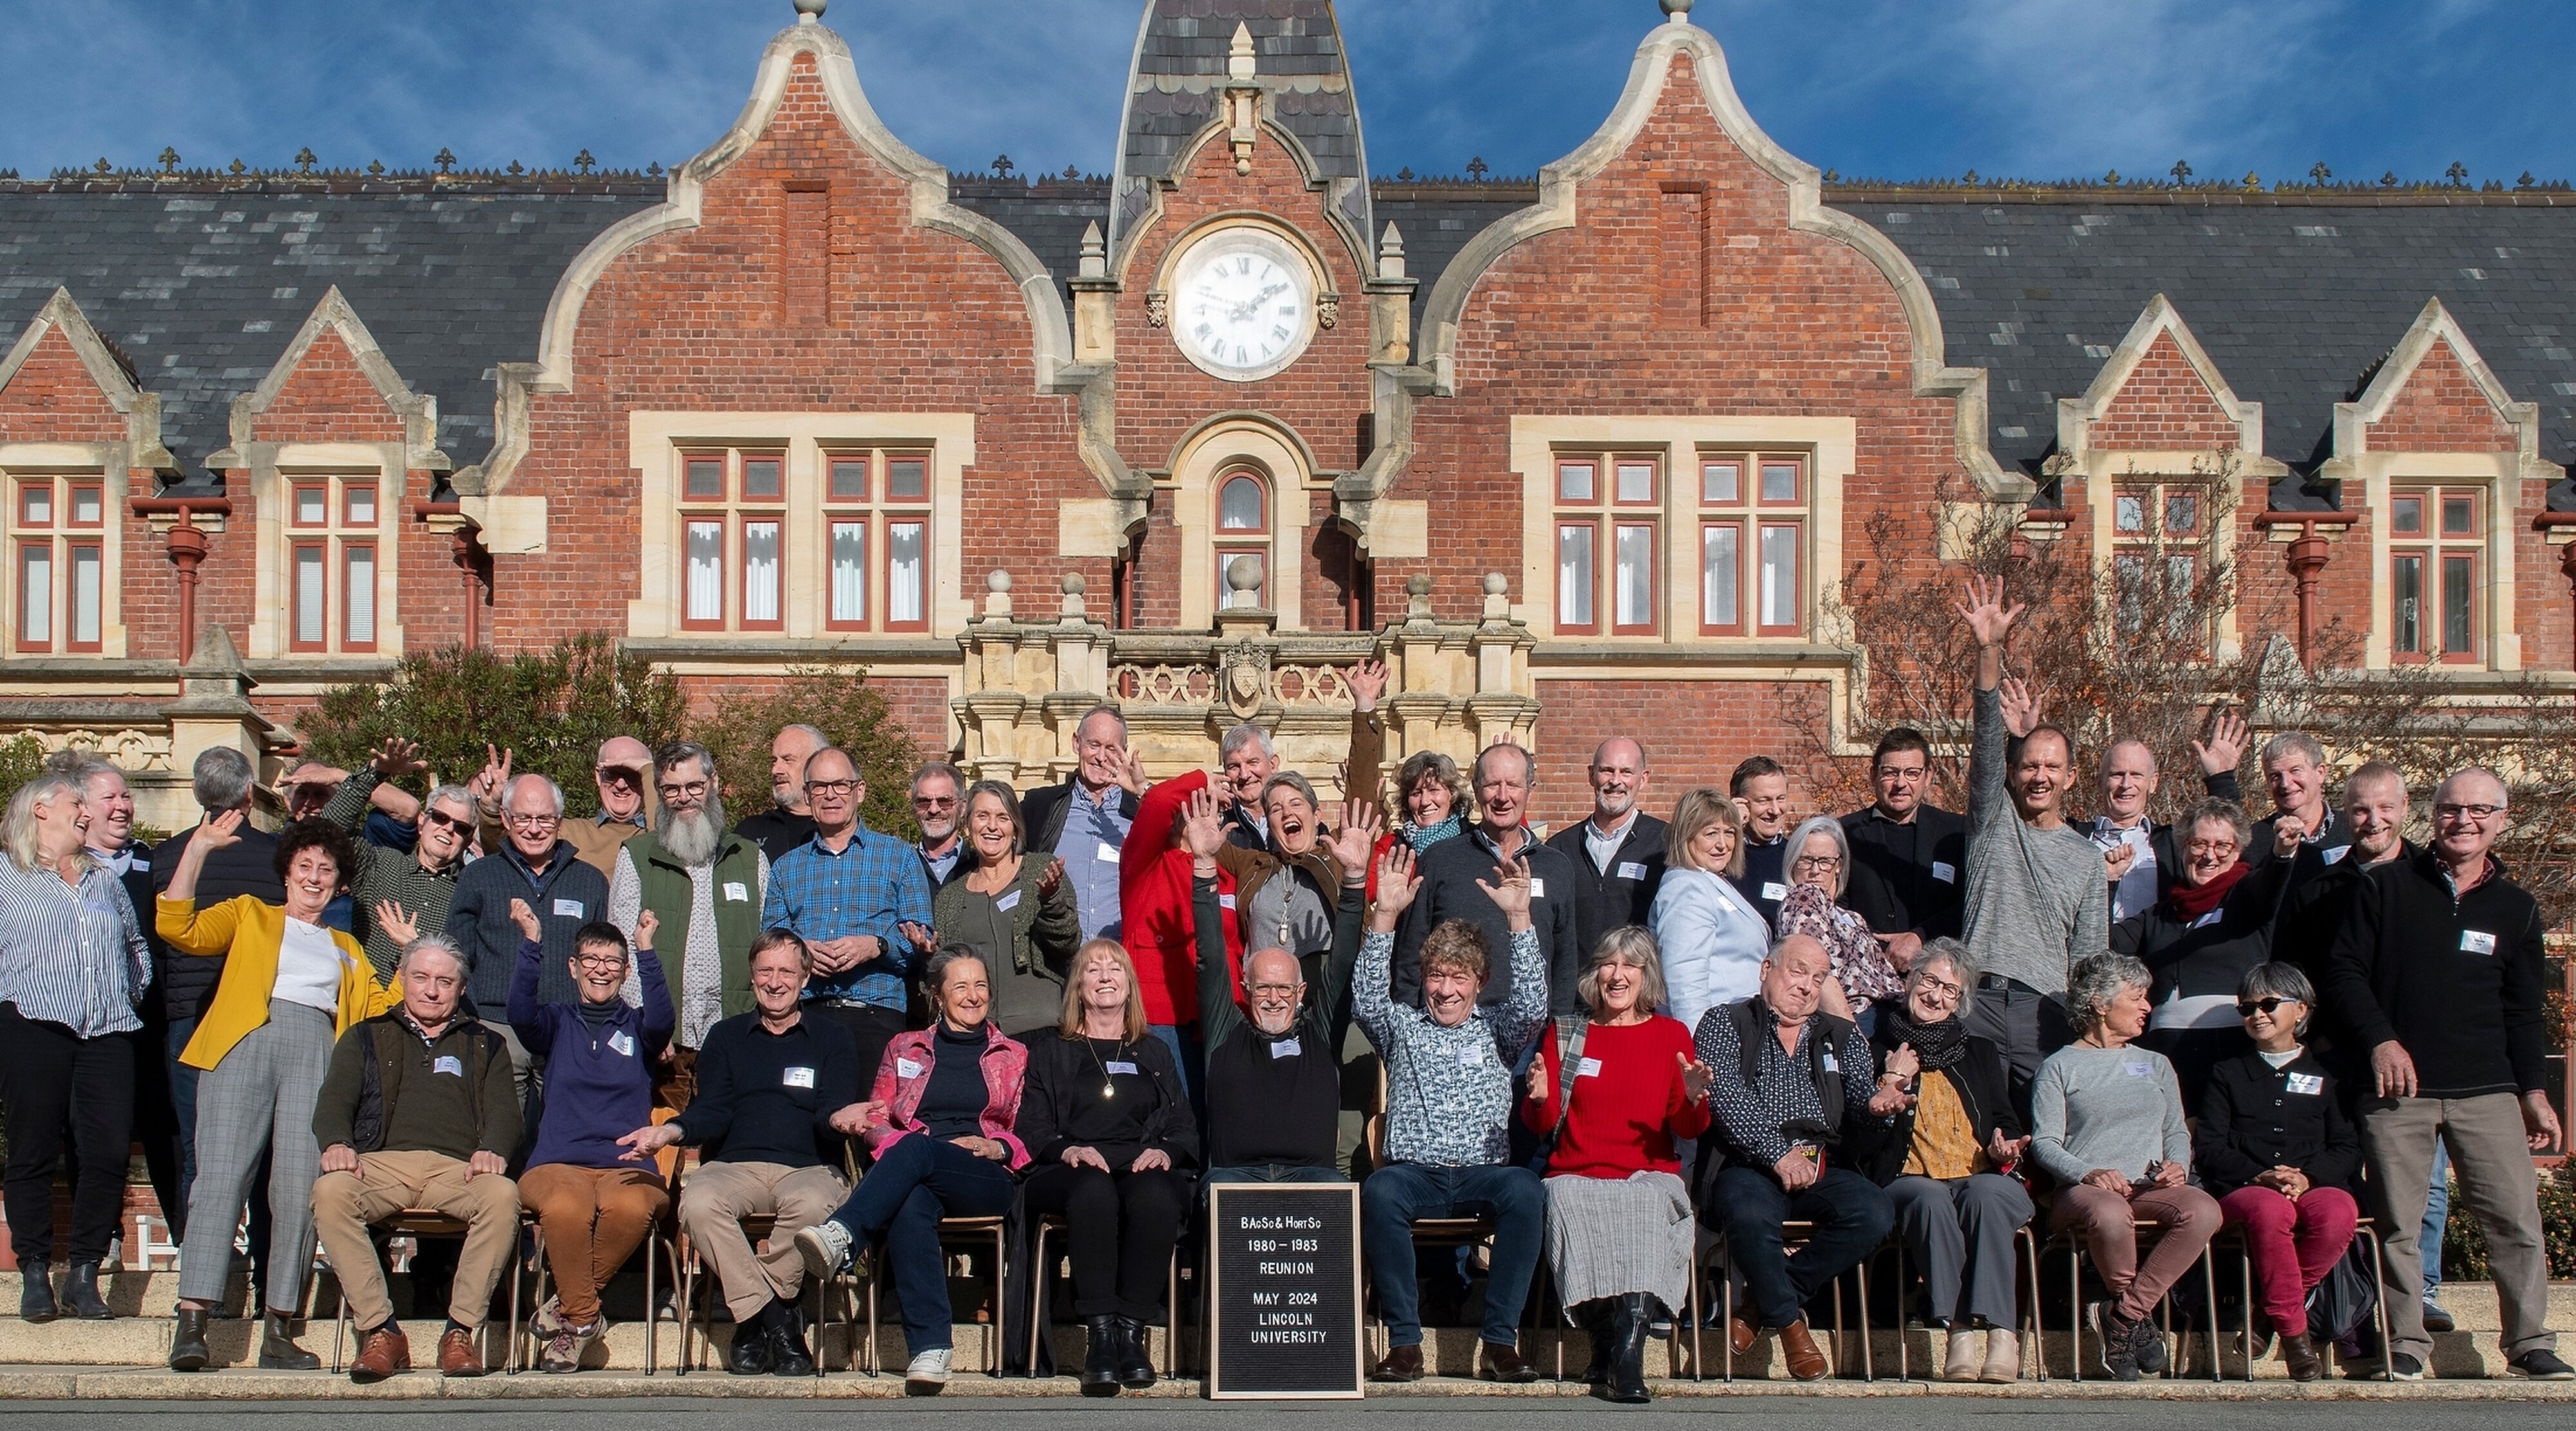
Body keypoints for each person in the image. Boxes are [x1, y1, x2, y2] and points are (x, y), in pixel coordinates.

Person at [2322, 767, 2570, 1381]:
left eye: (2479, 810)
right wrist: (2381, 1040)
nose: (2464, 821)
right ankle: (2405, 1343)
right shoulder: (2383, 888)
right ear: (2430, 815)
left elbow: (2522, 1010)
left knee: (2514, 1221)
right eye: (2451, 809)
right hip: (2396, 1091)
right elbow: (2342, 975)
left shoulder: (2516, 908)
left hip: (2487, 1090)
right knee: (2399, 1226)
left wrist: (2534, 1090)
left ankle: (2529, 1342)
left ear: (2502, 819)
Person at [158, 812, 392, 1374]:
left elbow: (386, 1010)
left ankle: (280, 1327)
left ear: (340, 883)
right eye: (305, 865)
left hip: (317, 1052)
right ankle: (193, 1320)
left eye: (326, 869)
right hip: (245, 1041)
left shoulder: (348, 947)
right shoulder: (250, 915)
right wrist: (197, 849)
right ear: (286, 872)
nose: (315, 876)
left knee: (296, 1191)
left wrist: (406, 953)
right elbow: (178, 927)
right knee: (219, 1181)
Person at [618, 930, 868, 1377]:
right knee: (697, 1201)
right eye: (765, 971)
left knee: (815, 1204)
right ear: (752, 978)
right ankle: (777, 1320)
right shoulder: (726, 1036)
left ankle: (752, 1324)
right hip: (735, 1165)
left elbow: (829, 1110)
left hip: (807, 1165)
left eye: (786, 971)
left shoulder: (833, 1038)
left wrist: (839, 1120)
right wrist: (672, 1130)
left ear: (805, 977)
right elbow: (712, 1110)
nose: (775, 981)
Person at [1353, 842, 1549, 1384]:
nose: (1445, 989)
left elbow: (1533, 1004)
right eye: (1437, 976)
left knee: (1527, 1191)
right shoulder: (1404, 1027)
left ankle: (1499, 1342)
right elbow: (1368, 998)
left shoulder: (1496, 1029)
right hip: (1414, 1173)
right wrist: (1385, 916)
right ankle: (1404, 1342)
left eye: (1459, 978)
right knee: (1379, 1191)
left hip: (1481, 1172)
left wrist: (1519, 918)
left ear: (1479, 983)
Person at [794, 948, 1028, 1394]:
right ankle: (931, 1348)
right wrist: (905, 1146)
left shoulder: (1014, 1054)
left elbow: (1030, 1128)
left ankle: (844, 1233)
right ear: (937, 995)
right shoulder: (904, 1046)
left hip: (984, 1174)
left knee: (916, 1154)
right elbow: (878, 1118)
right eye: (959, 986)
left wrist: (995, 1145)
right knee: (910, 1202)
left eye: (979, 984)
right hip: (917, 1168)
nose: (972, 995)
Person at [310, 934, 522, 1382]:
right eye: (421, 977)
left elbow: (507, 1112)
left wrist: (493, 1149)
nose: (431, 989)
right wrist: (336, 1142)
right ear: (402, 978)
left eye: (444, 981)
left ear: (461, 988)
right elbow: (333, 1102)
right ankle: (380, 1330)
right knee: (331, 1191)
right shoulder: (365, 1035)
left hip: (458, 1168)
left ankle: (460, 1330)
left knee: (502, 1196)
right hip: (380, 1164)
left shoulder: (486, 1042)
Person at [1520, 927, 1712, 1403]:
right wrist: (1540, 1097)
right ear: (1596, 973)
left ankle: (1626, 1354)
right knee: (1565, 1198)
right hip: (1577, 1171)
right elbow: (1540, 1122)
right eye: (1608, 963)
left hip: (1646, 1171)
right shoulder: (1567, 1033)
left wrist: (1693, 1098)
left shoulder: (1671, 1035)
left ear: (1646, 976)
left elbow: (1687, 1127)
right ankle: (1603, 1337)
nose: (1617, 974)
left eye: (1630, 965)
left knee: (1649, 1201)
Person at [1696, 934, 1893, 1382]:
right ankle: (1790, 1326)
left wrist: (1880, 1110)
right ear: (1767, 970)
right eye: (1797, 970)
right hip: (1747, 1162)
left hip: (1821, 1161)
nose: (1806, 985)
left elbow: (1861, 1123)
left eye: (1818, 977)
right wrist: (1776, 1153)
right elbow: (1727, 1097)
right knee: (1746, 1212)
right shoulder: (1723, 1021)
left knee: (1874, 1211)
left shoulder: (1842, 1036)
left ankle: (1762, 1302)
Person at [1841, 939, 2032, 1383]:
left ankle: (2002, 1333)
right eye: (1930, 980)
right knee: (1928, 1198)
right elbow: (1855, 1137)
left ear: (1960, 1001)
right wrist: (1888, 1083)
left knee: (1986, 1194)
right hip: (1907, 1175)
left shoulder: (1979, 1051)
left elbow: (2002, 1118)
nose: (1936, 995)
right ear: (1910, 980)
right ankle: (1960, 1331)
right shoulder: (1874, 1048)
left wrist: (2002, 1145)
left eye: (1951, 990)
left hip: (1977, 1171)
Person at [0, 770, 150, 1323]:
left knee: (107, 1153)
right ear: (40, 809)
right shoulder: (4, 875)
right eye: (75, 803)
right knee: (34, 1149)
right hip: (32, 1024)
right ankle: (36, 1270)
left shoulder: (101, 880)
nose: (86, 812)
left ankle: (85, 1272)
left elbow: (136, 946)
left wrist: (124, 992)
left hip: (107, 1031)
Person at [1017, 940, 1198, 1394]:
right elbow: (1032, 1125)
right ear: (1078, 985)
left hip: (1139, 1160)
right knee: (1094, 1190)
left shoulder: (1153, 1051)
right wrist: (1066, 1149)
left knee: (1158, 1195)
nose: (1104, 976)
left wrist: (1167, 1153)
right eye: (1092, 968)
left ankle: (1131, 1334)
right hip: (1070, 1167)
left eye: (1114, 968)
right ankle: (1100, 1336)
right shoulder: (1050, 1050)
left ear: (1129, 983)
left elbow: (1181, 1123)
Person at [2028, 954, 2219, 1381]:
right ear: (2099, 1003)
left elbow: (2175, 1129)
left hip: (2149, 1187)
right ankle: (2133, 1322)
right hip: (2083, 1194)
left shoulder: (2155, 1064)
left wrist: (2177, 1166)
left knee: (2204, 1209)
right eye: (2137, 997)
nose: (2146, 1007)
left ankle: (2122, 1316)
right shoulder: (2058, 1066)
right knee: (2111, 1211)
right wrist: (2089, 1172)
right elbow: (2044, 1142)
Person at [1955, 576, 2108, 1103]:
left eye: (2052, 766)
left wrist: (2092, 1034)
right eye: (2029, 766)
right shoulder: (1991, 821)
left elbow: (2090, 956)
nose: (2039, 776)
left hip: (2045, 1011)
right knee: (1973, 1129)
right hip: (1974, 998)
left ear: (2070, 775)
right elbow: (1986, 737)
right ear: (2014, 773)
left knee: (2041, 1133)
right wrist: (1988, 648)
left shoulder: (2087, 858)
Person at [511, 906, 675, 1372]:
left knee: (633, 1208)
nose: (600, 969)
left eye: (612, 961)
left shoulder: (639, 1027)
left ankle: (564, 1310)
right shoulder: (557, 1021)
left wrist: (645, 949)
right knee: (566, 1207)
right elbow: (521, 1013)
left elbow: (663, 1018)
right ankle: (583, 1317)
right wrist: (531, 941)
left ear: (624, 971)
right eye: (591, 959)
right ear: (574, 966)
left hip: (627, 1162)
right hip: (558, 1162)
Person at [151, 745, 288, 1270]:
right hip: (258, 1013)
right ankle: (266, 1263)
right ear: (250, 794)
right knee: (265, 1147)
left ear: (195, 794)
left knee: (199, 1147)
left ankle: (202, 1264)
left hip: (188, 1015)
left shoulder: (169, 857)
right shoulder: (276, 857)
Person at [1190, 791, 1369, 1187]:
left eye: (1284, 989)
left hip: (1312, 1179)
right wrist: (1204, 865)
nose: (1274, 998)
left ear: (1302, 991)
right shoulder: (1226, 1032)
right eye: (1264, 988)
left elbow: (1341, 963)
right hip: (1235, 1179)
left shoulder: (1318, 1033)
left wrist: (1355, 880)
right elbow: (1210, 961)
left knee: (1341, 1193)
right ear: (1246, 988)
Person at [2193, 963, 2360, 1382]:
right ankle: (2295, 1341)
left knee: (2338, 1212)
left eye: (2268, 1003)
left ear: (2300, 1009)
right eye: (2246, 1007)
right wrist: (2259, 1175)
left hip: (2312, 1182)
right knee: (2271, 1213)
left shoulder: (2328, 1074)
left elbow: (2345, 1146)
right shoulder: (2225, 1073)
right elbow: (2210, 1147)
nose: (2256, 1014)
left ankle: (2266, 1315)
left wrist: (2306, 1177)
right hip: (2246, 1187)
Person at [762, 745, 933, 1100]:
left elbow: (924, 937)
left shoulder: (899, 857)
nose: (830, 795)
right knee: (808, 1124)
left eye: (840, 785)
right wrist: (800, 951)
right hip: (807, 1015)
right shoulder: (786, 868)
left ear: (860, 791)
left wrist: (877, 945)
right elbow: (770, 945)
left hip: (876, 1014)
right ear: (807, 796)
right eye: (819, 787)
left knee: (874, 1127)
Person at [607, 740, 767, 1111]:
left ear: (712, 783)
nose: (684, 798)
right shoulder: (637, 857)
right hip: (666, 1043)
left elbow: (768, 951)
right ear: (660, 793)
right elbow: (623, 950)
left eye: (694, 786)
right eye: (672, 789)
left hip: (734, 1034)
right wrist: (649, 1024)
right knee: (663, 1153)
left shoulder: (750, 858)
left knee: (725, 1149)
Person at [2112, 799, 2298, 1108]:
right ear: (2183, 848)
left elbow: (2269, 887)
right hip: (2163, 1060)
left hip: (2229, 1053)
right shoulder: (2160, 914)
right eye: (2198, 844)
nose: (2209, 855)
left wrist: (2282, 854)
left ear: (2238, 852)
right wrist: (2107, 882)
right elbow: (2104, 941)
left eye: (2222, 846)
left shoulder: (2245, 897)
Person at [447, 773, 613, 1099]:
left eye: (545, 819)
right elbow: (458, 952)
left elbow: (602, 960)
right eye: (523, 818)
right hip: (497, 1026)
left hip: (566, 1026)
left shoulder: (590, 882)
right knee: (503, 1132)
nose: (534, 828)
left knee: (563, 1131)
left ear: (560, 821)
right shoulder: (478, 876)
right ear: (506, 819)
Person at [1391, 743, 1579, 1019]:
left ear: (1530, 789)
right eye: (1492, 785)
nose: (1503, 797)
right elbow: (1410, 955)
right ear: (1477, 789)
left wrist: (1556, 1038)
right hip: (1451, 1033)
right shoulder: (1441, 860)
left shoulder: (1556, 866)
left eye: (1513, 785)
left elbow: (1564, 964)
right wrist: (1408, 1028)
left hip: (1531, 1039)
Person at [904, 780, 1076, 1038]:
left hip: (1041, 1029)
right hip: (977, 1035)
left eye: (1003, 817)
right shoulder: (950, 896)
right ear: (967, 825)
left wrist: (1051, 901)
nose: (992, 826)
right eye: (982, 816)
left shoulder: (1042, 869)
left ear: (1016, 828)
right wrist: (931, 957)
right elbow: (937, 984)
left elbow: (1068, 945)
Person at [1118, 767, 1243, 1100]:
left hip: (1220, 1019)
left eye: (1212, 807)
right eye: (1197, 805)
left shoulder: (1227, 881)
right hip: (1163, 1022)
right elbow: (1158, 802)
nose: (1207, 814)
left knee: (1220, 1120)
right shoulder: (1147, 866)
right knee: (1174, 1120)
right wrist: (1201, 780)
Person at [314, 738, 474, 979]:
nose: (449, 829)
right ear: (422, 821)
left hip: (432, 1010)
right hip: (368, 1004)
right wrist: (377, 773)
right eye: (441, 818)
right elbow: (327, 830)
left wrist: (415, 947)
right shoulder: (381, 864)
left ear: (469, 840)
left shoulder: (471, 891)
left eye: (461, 827)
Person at [2090, 716, 2247, 922]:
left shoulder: (2174, 843)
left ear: (2153, 783)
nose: (2126, 784)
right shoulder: (2075, 838)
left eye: (2137, 775)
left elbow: (2226, 841)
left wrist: (2221, 779)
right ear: (2101, 780)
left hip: (2155, 953)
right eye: (2117, 775)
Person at [1840, 727, 1968, 964]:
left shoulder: (1956, 832)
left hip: (1937, 977)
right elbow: (1836, 907)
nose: (1900, 783)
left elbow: (1969, 903)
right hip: (1866, 974)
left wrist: (1921, 936)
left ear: (1928, 776)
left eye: (1912, 773)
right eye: (1890, 773)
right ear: (1873, 776)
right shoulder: (1845, 833)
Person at [1649, 787, 1768, 1035]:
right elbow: (1684, 980)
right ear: (1686, 836)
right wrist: (1699, 1047)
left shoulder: (1709, 881)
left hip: (1740, 1029)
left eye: (1730, 833)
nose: (1722, 845)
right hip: (1717, 1035)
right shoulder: (1686, 888)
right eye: (1711, 833)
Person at [1021, 706, 1141, 946]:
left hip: (1121, 963)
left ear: (1124, 753)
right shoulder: (1039, 807)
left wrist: (1142, 792)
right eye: (1093, 745)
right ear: (1077, 743)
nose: (1101, 757)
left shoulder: (1141, 813)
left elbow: (1180, 831)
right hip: (1057, 962)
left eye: (1111, 749)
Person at [1543, 738, 1667, 965]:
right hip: (1576, 994)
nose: (1616, 781)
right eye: (1607, 771)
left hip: (1638, 992)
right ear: (1591, 775)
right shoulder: (1559, 849)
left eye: (1626, 772)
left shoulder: (1665, 845)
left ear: (1644, 778)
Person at [1774, 814, 1901, 1028]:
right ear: (1793, 863)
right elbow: (1819, 976)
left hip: (1887, 1014)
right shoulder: (1804, 898)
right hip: (1853, 1019)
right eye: (1806, 860)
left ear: (1839, 865)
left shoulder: (1851, 917)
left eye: (1824, 861)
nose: (1815, 871)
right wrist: (1853, 1040)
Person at [2248, 732, 2352, 889]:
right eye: (2276, 776)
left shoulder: (2353, 829)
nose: (2285, 783)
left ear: (2320, 773)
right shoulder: (2254, 840)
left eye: (2295, 771)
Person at [736, 724, 827, 862]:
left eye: (788, 760)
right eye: (774, 761)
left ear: (817, 765)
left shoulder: (837, 831)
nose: (776, 770)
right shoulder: (750, 833)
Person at [1728, 757, 1795, 931]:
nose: (1774, 810)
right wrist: (1729, 825)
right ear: (1739, 802)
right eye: (1764, 801)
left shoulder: (1796, 856)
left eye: (1780, 799)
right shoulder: (1719, 855)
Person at [1216, 723, 1281, 852]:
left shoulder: (1297, 816)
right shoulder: (1218, 823)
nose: (1244, 775)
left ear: (1273, 764)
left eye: (1252, 763)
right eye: (1234, 766)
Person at [912, 762, 968, 886]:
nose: (934, 810)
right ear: (913, 808)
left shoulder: (978, 865)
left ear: (963, 808)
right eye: (924, 802)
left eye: (945, 801)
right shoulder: (901, 866)